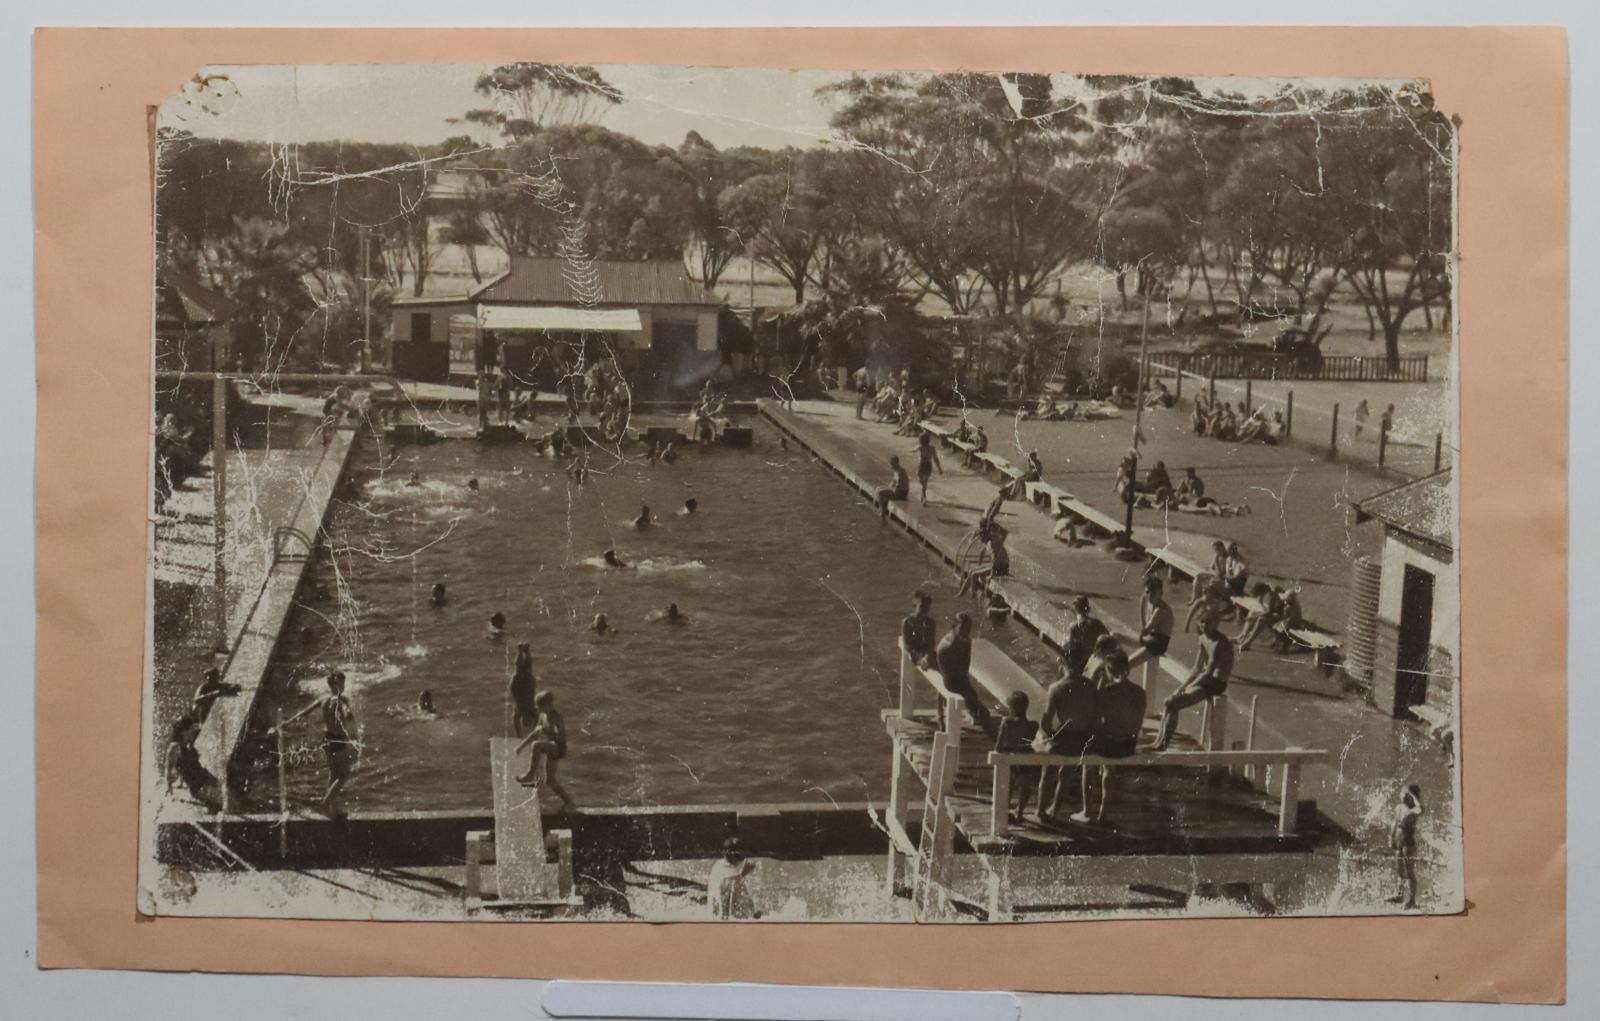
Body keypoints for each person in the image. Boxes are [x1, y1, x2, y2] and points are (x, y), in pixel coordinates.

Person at [1074, 649, 1147, 823]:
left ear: (1108, 670)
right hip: (1127, 745)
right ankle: (1104, 812)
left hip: (1108, 744)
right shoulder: (1140, 692)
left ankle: (1087, 812)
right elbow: (1137, 723)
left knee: (1087, 765)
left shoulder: (1107, 692)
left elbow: (1097, 719)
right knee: (1109, 768)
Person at [275, 670, 358, 814]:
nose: (343, 687)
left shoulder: (322, 699)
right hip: (338, 741)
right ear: (336, 686)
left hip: (327, 739)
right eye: (341, 684)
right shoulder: (340, 700)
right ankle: (325, 804)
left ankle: (332, 808)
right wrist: (349, 718)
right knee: (343, 775)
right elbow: (345, 713)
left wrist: (282, 724)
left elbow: (302, 713)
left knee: (333, 774)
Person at [1151, 611, 1234, 751]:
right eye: (1202, 622)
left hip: (1216, 683)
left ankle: (1162, 746)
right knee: (1169, 701)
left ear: (1216, 624)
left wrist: (1187, 688)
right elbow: (1197, 667)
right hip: (1205, 679)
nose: (1205, 625)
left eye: (1209, 623)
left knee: (1172, 702)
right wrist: (1181, 687)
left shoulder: (1219, 643)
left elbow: (1208, 673)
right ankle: (1158, 742)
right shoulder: (1202, 638)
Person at [1038, 662, 1097, 820]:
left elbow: (1046, 720)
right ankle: (1055, 810)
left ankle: (1040, 811)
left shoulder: (1057, 687)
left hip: (1066, 740)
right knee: (1066, 774)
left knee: (1048, 772)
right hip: (1083, 740)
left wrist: (1047, 737)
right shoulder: (1090, 685)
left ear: (1063, 663)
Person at [935, 613, 996, 737]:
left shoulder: (966, 641)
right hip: (951, 681)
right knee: (982, 711)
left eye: (969, 628)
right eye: (963, 628)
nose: (967, 631)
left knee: (977, 707)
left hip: (960, 680)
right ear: (954, 626)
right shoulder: (949, 644)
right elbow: (949, 672)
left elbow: (965, 666)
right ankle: (994, 736)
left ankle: (982, 721)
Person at [514, 690, 573, 811]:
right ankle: (568, 801)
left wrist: (547, 732)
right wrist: (522, 745)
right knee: (549, 780)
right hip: (551, 746)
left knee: (537, 745)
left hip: (559, 748)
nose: (537, 709)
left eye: (539, 706)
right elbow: (535, 733)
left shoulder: (556, 718)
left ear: (548, 705)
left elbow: (561, 737)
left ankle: (530, 775)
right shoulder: (542, 716)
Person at [994, 691, 1041, 824]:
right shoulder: (1034, 725)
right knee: (1025, 786)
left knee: (1009, 785)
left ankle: (1004, 811)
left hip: (1011, 760)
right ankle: (1019, 812)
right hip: (1026, 759)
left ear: (1010, 708)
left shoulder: (1006, 722)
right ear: (1026, 706)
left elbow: (998, 746)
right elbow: (1029, 742)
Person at [163, 712, 221, 811]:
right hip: (199, 786)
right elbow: (169, 768)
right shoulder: (175, 747)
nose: (192, 731)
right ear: (183, 731)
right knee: (225, 803)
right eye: (190, 729)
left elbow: (185, 765)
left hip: (205, 780)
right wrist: (169, 788)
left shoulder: (187, 745)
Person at [1127, 576, 1174, 668]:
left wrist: (1141, 605)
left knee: (1127, 664)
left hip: (1157, 644)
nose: (1150, 595)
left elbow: (1145, 631)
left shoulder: (1160, 610)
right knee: (1115, 636)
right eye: (1147, 592)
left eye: (1154, 592)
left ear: (1160, 593)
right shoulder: (1150, 602)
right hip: (1149, 639)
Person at [708, 836, 760, 919]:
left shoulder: (717, 865)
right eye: (741, 857)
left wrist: (741, 875)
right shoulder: (734, 877)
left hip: (713, 916)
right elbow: (727, 913)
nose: (742, 860)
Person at [1390, 784, 1423, 909]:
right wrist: (1391, 837)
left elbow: (1420, 808)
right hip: (1399, 842)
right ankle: (1399, 895)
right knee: (1399, 871)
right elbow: (1394, 822)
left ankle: (1412, 901)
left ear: (1411, 797)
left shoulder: (1414, 809)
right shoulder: (1399, 807)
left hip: (1408, 844)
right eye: (1401, 793)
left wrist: (1414, 797)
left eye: (1405, 793)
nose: (1401, 795)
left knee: (1409, 872)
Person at [1061, 596, 1109, 677]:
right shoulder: (1097, 623)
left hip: (1080, 660)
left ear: (1075, 609)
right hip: (1094, 659)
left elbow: (1070, 645)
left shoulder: (1074, 626)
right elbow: (1107, 638)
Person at [1235, 581, 1284, 651]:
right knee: (1253, 612)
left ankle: (1248, 643)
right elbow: (1261, 603)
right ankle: (1242, 636)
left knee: (1262, 619)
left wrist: (1255, 616)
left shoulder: (1272, 593)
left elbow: (1270, 611)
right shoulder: (1266, 587)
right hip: (1273, 611)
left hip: (1282, 615)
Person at [900, 590, 937, 667]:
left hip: (927, 654)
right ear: (915, 605)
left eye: (928, 607)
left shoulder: (931, 622)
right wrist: (920, 658)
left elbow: (931, 644)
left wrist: (927, 656)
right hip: (914, 655)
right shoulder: (907, 622)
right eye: (922, 606)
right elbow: (908, 645)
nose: (925, 610)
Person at [510, 643, 538, 736]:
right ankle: (526, 651)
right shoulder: (533, 711)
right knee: (528, 668)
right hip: (528, 688)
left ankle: (520, 651)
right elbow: (537, 724)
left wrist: (519, 735)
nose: (527, 721)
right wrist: (534, 734)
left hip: (517, 689)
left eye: (525, 722)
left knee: (519, 669)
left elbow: (516, 723)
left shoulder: (519, 711)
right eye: (528, 721)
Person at [876, 455, 910, 522]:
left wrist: (889, 490)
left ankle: (883, 511)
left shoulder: (900, 472)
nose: (890, 465)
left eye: (891, 463)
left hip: (901, 493)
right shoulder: (896, 471)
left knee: (880, 493)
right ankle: (883, 509)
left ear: (896, 463)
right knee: (878, 489)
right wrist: (888, 488)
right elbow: (893, 483)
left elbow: (900, 487)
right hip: (897, 491)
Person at [914, 432, 944, 505]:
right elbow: (936, 459)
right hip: (928, 465)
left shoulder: (921, 447)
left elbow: (914, 450)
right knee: (924, 481)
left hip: (922, 465)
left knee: (922, 480)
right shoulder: (931, 448)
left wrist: (939, 468)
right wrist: (939, 468)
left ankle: (924, 495)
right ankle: (923, 493)